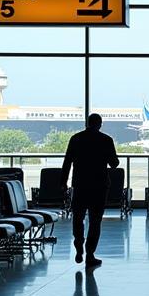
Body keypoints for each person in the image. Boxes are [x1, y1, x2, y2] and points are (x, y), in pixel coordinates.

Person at [60, 113, 120, 268]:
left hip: (80, 185)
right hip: (99, 187)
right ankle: (90, 254)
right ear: (100, 124)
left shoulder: (76, 139)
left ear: (87, 123)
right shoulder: (106, 140)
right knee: (95, 221)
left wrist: (63, 182)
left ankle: (78, 244)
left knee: (78, 217)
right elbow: (114, 164)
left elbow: (67, 162)